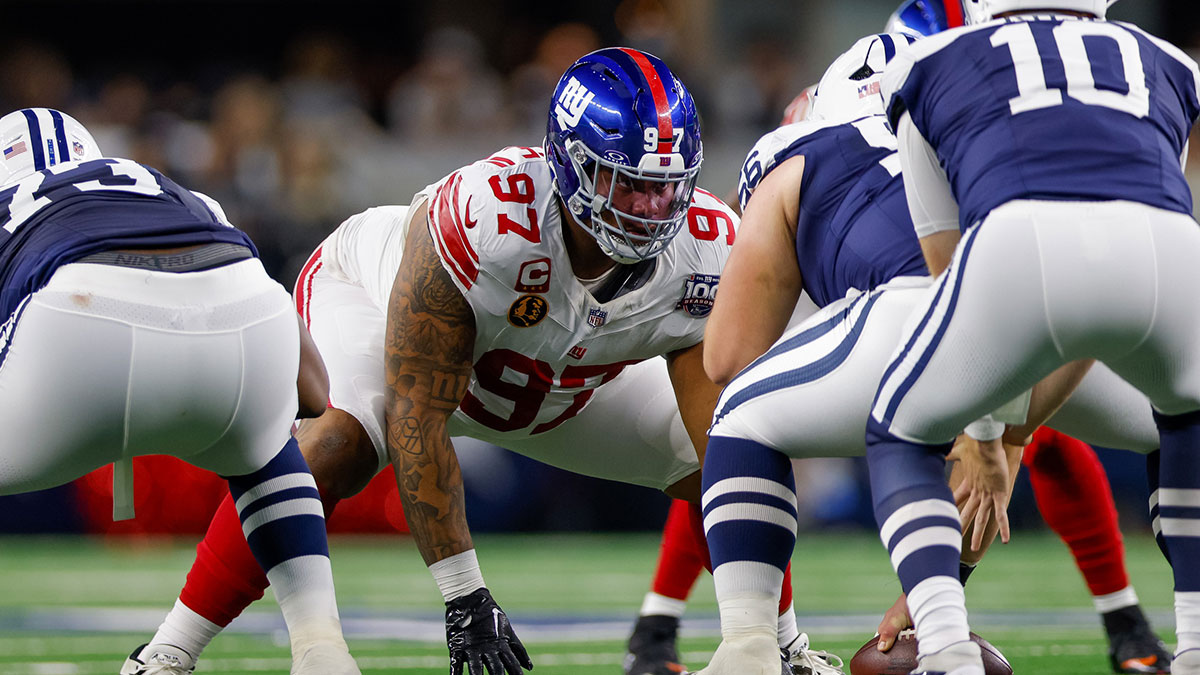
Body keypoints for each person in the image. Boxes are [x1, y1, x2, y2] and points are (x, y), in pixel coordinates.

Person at [128, 48, 830, 675]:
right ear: (568, 164)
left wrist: (767, 634)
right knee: (342, 443)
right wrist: (466, 597)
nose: (651, 207)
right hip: (382, 316)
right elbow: (414, 414)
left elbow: (722, 439)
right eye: (627, 184)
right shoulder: (487, 222)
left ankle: (779, 647)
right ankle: (171, 649)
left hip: (555, 380)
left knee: (736, 453)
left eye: (666, 185)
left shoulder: (707, 247)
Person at [627, 5, 1170, 673]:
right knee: (1174, 417)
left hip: (917, 311)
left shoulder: (795, 153)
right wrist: (1002, 432)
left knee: (740, 414)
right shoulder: (989, 124)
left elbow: (729, 358)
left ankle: (750, 647)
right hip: (1066, 298)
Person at [862, 0, 1200, 673]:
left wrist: (988, 433)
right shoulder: (1170, 61)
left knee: (899, 426)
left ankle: (944, 642)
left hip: (1016, 245)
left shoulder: (926, 62)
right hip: (1173, 249)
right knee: (1188, 418)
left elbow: (949, 277)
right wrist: (1007, 437)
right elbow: (1137, 224)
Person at [0, 108, 359, 674]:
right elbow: (314, 392)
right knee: (267, 450)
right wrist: (260, 426)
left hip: (79, 320)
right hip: (245, 311)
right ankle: (320, 646)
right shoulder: (171, 190)